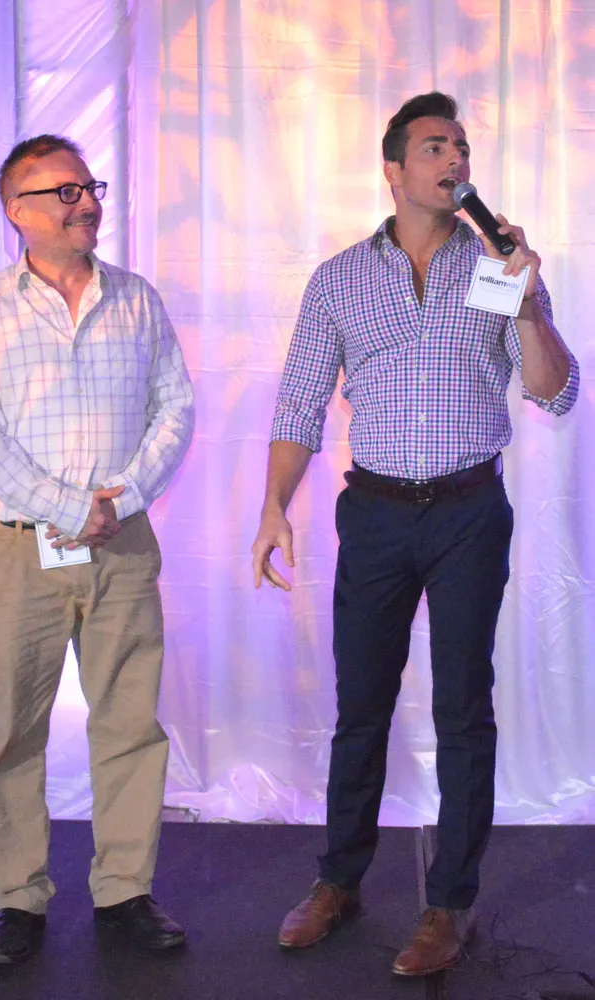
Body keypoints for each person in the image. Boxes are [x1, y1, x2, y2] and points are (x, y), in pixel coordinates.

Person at [251, 92, 578, 977]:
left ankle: (450, 903)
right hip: (377, 515)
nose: (454, 159)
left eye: (461, 146)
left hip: (469, 511)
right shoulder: (339, 279)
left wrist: (526, 305)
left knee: (464, 705)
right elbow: (298, 403)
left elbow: (554, 392)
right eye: (435, 146)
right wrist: (274, 504)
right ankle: (338, 881)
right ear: (393, 170)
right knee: (361, 702)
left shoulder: (496, 267)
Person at [0, 134, 194, 964]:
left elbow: (175, 408)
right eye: (64, 191)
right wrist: (67, 509)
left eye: (89, 187)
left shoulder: (136, 299)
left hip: (122, 544)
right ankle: (18, 902)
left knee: (130, 723)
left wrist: (117, 501)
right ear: (16, 211)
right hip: (18, 551)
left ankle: (124, 892)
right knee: (13, 734)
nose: (85, 202)